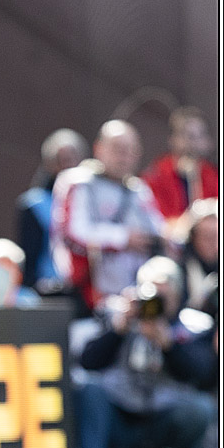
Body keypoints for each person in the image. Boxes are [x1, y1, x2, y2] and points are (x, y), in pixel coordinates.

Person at [73, 256, 217, 448]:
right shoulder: (116, 315)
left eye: (164, 295)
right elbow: (88, 361)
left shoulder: (192, 325)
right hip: (118, 413)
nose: (155, 303)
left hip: (162, 416)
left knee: (200, 408)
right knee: (90, 390)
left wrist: (169, 345)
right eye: (151, 294)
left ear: (177, 293)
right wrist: (120, 328)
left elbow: (202, 373)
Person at [50, 119, 166, 316]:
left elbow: (158, 232)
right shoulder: (78, 183)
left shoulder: (139, 190)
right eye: (118, 149)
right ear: (99, 148)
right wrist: (123, 239)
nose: (124, 156)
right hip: (89, 298)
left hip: (135, 297)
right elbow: (73, 233)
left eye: (131, 150)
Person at [15, 128, 89, 294]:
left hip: (85, 288)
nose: (67, 166)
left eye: (72, 159)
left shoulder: (91, 202)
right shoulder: (35, 204)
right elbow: (30, 258)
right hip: (50, 288)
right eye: (61, 160)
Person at [142, 106, 219, 221]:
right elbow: (155, 221)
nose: (193, 142)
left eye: (199, 135)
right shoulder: (155, 176)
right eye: (187, 135)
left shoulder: (213, 176)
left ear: (209, 141)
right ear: (172, 139)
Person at [172, 197, 218, 312]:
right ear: (193, 237)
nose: (212, 243)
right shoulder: (178, 266)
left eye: (216, 236)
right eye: (206, 236)